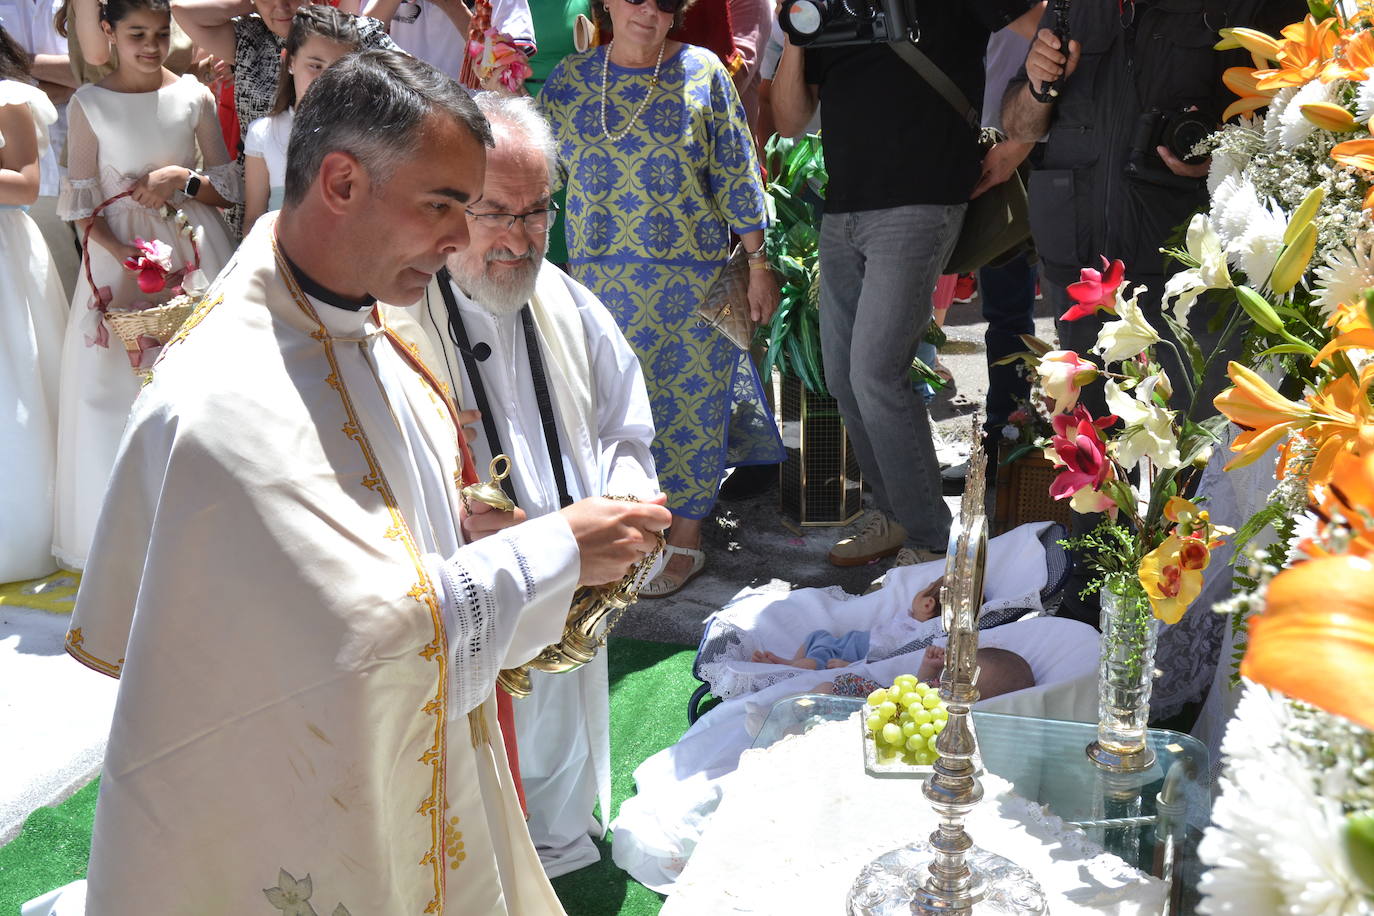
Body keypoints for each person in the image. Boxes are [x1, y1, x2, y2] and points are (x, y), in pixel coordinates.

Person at [54, 48, 671, 912]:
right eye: (444, 206)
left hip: (400, 769)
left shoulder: (370, 321)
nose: (463, 239)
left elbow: (385, 535)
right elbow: (354, 640)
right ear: (341, 182)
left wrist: (462, 523)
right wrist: (555, 548)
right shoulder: (228, 396)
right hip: (291, 807)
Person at [386, 90, 659, 879]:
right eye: (495, 213)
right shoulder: (393, 318)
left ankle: (562, 853)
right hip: (472, 601)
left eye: (537, 212)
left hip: (578, 595)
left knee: (564, 751)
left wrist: (632, 501)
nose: (519, 239)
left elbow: (624, 425)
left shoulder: (569, 301)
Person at [999, 0, 1302, 627]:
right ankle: (1092, 605)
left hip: (1186, 271)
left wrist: (1221, 148)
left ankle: (1172, 628)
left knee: (1189, 449)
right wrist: (1036, 82)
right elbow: (1020, 126)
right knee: (1093, 443)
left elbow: (1293, 118)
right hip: (1080, 265)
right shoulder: (1069, 11)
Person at [771, 3, 1041, 570]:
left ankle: (928, 539)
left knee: (876, 372)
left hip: (921, 200)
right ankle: (895, 516)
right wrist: (796, 31)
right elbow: (791, 120)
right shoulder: (822, 6)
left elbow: (1048, 25)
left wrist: (1022, 137)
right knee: (845, 376)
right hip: (843, 208)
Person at [540, 0, 783, 597]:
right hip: (598, 286)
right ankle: (628, 526)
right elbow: (539, 177)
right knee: (610, 411)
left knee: (690, 408)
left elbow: (737, 172)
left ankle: (687, 538)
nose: (648, 10)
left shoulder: (703, 72)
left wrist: (758, 263)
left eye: (664, 0)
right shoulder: (571, 81)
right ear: (606, 5)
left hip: (691, 286)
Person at [52, 0, 240, 572]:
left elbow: (227, 187)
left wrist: (178, 179)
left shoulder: (193, 95)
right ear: (108, 32)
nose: (151, 45)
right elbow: (81, 199)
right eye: (136, 34)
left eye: (160, 34)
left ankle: (207, 525)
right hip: (123, 261)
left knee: (200, 385)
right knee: (116, 385)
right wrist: (117, 252)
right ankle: (123, 538)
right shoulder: (90, 103)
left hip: (194, 249)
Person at [171, 0, 395, 233]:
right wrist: (256, 5)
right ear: (290, 61)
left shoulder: (356, 33)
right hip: (264, 205)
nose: (281, 7)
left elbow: (421, 88)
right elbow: (182, 11)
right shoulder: (250, 36)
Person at [0, 25, 66, 584]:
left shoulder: (10, 99)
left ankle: (19, 533)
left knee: (15, 381)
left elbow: (25, 184)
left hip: (6, 256)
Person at [242, 4, 358, 234]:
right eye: (315, 66)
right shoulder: (263, 133)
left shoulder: (363, 136)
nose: (324, 80)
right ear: (290, 61)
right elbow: (254, 218)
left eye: (338, 69)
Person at [0, 0, 80, 291]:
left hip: (100, 163)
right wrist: (65, 77)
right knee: (57, 287)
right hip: (33, 180)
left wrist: (15, 64)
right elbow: (79, 76)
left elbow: (95, 70)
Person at [750, 577, 943, 669]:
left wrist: (849, 664)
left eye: (926, 589)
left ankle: (789, 669)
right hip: (851, 641)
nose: (919, 592)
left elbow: (885, 655)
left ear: (928, 604)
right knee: (817, 636)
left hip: (859, 650)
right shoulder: (908, 617)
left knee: (821, 654)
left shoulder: (917, 632)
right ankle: (793, 662)